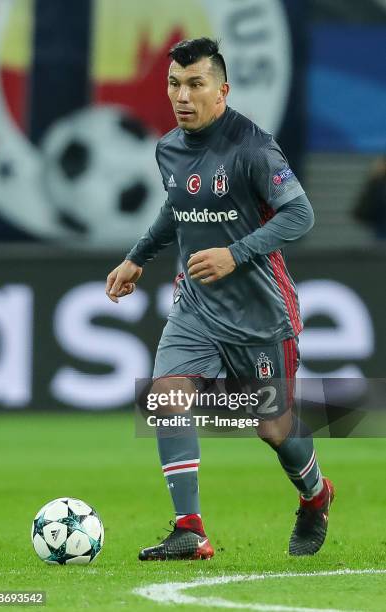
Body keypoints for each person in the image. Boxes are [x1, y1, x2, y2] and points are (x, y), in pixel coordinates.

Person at [106, 38, 334, 561]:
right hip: (196, 307)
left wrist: (235, 254)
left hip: (260, 313)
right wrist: (138, 255)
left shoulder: (253, 148)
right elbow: (176, 206)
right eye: (173, 84)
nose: (182, 96)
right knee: (166, 394)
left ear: (222, 91)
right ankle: (190, 529)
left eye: (195, 84)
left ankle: (316, 496)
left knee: (274, 427)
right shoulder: (167, 148)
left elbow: (301, 215)